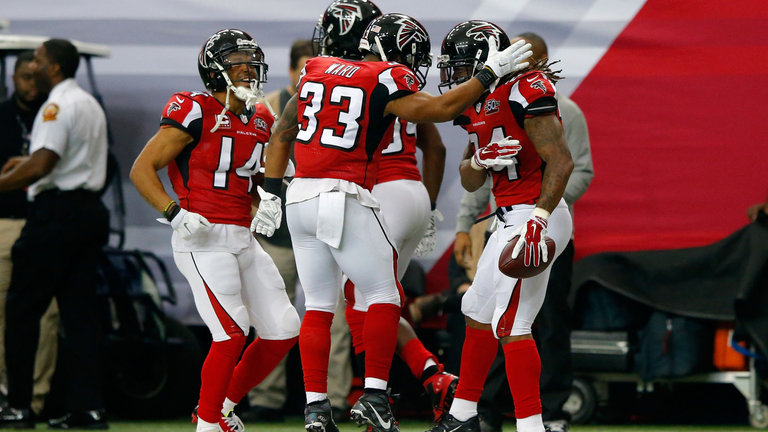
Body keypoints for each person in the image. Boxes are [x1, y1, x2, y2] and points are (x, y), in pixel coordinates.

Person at [252, 7, 532, 432]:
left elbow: (284, 131)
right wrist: (488, 74)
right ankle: (379, 394)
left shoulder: (315, 68)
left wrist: (272, 191)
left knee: (322, 305)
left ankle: (315, 408)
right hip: (357, 193)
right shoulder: (385, 77)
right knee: (382, 294)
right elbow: (439, 114)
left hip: (302, 196)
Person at [129, 29, 300, 432]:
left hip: (243, 236)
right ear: (214, 69)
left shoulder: (261, 117)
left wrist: (269, 201)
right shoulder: (192, 108)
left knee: (283, 329)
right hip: (201, 236)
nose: (248, 68)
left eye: (251, 60)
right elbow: (142, 168)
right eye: (237, 61)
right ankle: (208, 424)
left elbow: (255, 179)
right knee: (231, 331)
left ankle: (221, 406)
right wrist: (174, 212)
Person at [308, 0, 458, 422]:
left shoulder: (341, 75)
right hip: (410, 189)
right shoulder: (396, 75)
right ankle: (430, 376)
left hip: (376, 192)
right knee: (382, 298)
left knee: (362, 299)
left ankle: (378, 398)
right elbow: (436, 145)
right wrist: (427, 205)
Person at [429, 21, 574, 432]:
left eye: (460, 66)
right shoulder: (478, 99)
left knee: (511, 323)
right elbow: (472, 179)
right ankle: (461, 416)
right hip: (506, 216)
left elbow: (562, 163)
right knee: (475, 309)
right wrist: (479, 161)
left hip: (538, 214)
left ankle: (531, 426)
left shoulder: (526, 88)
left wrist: (539, 221)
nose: (455, 75)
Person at [0, 39, 110, 429]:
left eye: (40, 61)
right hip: (88, 214)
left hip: (55, 216)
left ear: (55, 69)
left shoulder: (55, 106)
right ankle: (88, 407)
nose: (33, 68)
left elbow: (43, 165)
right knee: (81, 316)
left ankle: (17, 405)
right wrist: (25, 164)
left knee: (22, 309)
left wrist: (7, 181)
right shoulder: (88, 103)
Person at [0, 50, 60, 417]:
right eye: (26, 77)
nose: (32, 85)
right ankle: (5, 395)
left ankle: (34, 400)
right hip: (5, 223)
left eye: (38, 78)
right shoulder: (2, 117)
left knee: (47, 315)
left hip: (45, 222)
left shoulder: (58, 113)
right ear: (13, 77)